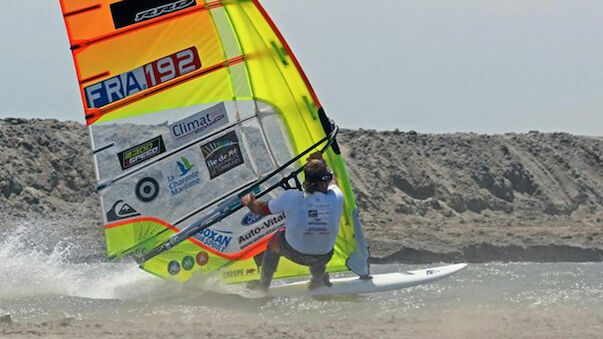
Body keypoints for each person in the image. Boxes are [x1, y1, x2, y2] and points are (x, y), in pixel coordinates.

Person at [241, 151, 344, 291]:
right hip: (325, 256)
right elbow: (333, 181)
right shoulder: (336, 197)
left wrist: (249, 203)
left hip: (297, 254)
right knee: (318, 236)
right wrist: (322, 161)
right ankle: (317, 280)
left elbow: (261, 210)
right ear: (325, 180)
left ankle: (263, 285)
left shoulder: (292, 197)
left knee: (275, 240)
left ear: (306, 180)